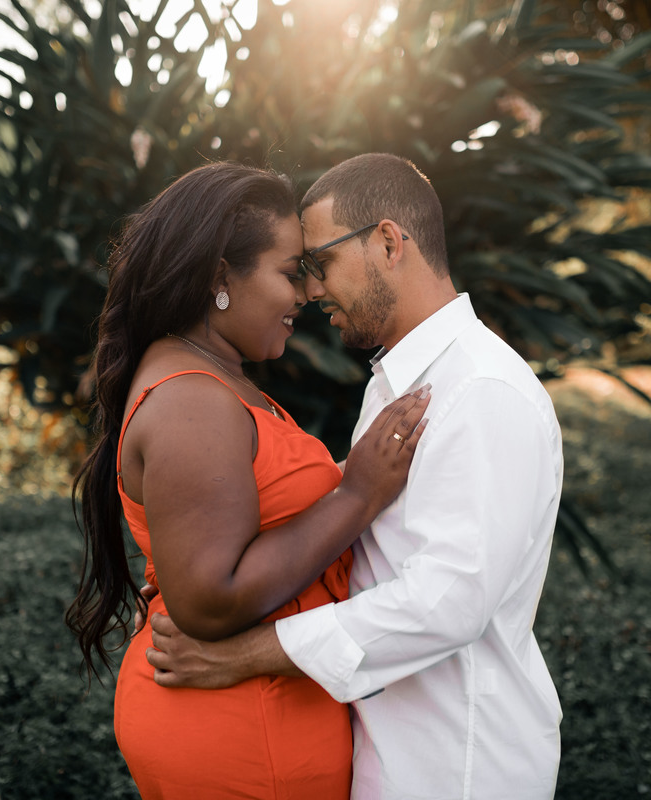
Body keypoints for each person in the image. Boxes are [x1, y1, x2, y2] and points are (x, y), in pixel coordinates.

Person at [145, 153, 565, 799]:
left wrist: (242, 653)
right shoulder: (400, 381)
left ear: (389, 243)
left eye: (320, 263)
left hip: (455, 765)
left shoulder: (482, 390)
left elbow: (447, 601)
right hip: (392, 750)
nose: (310, 291)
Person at [65, 161, 430, 799]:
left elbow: (238, 523)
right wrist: (357, 493)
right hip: (243, 736)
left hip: (252, 717)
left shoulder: (210, 379)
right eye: (290, 273)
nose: (306, 293)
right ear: (218, 279)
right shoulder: (192, 400)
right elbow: (211, 597)